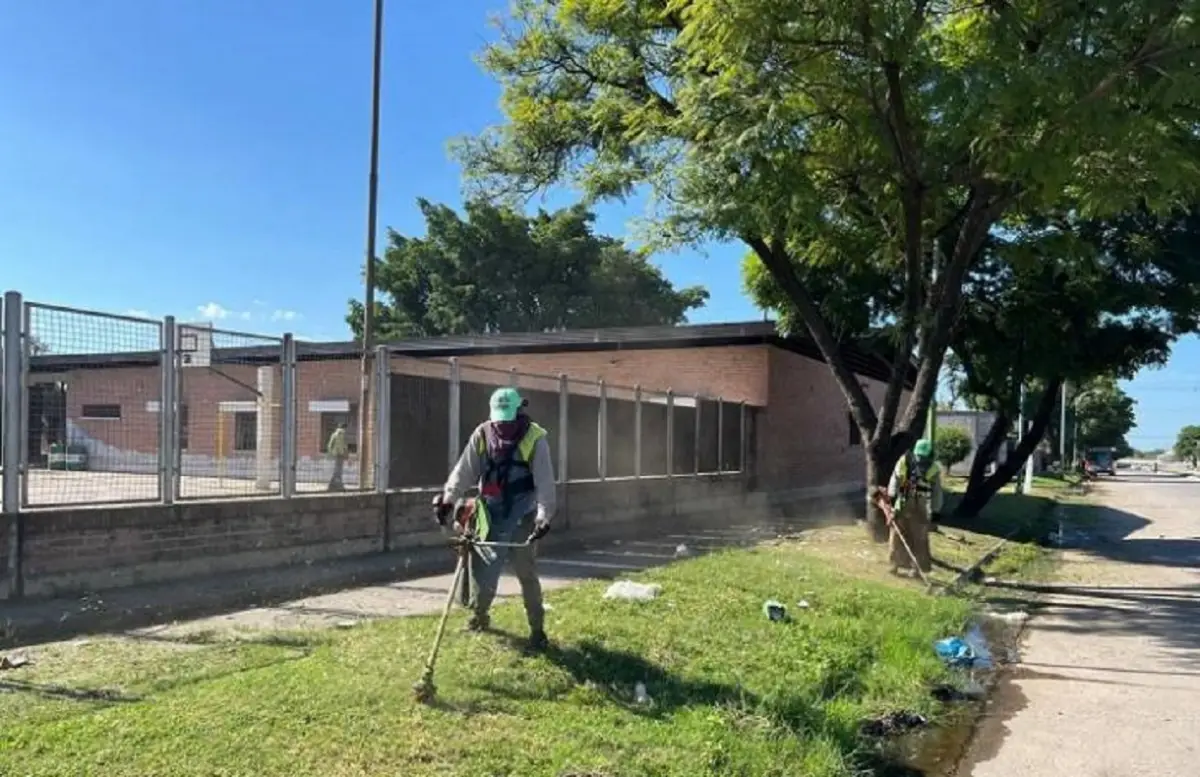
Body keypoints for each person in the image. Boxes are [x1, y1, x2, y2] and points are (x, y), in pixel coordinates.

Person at [432, 387, 555, 650]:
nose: (502, 425)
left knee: (527, 574)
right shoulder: (483, 434)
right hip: (489, 515)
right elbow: (464, 471)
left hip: (523, 516)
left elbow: (545, 483)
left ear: (519, 412)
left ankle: (537, 630)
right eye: (499, 419)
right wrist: (448, 499)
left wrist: (543, 518)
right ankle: (479, 617)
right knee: (482, 571)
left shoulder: (535, 438)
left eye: (507, 419)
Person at [885, 438, 943, 575]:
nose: (922, 461)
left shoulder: (933, 468)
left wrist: (935, 512)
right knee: (900, 536)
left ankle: (915, 569)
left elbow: (936, 493)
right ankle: (896, 565)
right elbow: (895, 481)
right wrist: (892, 499)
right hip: (904, 504)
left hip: (917, 506)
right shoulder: (904, 462)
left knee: (917, 538)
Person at [326, 423, 348, 491]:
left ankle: (332, 485)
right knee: (338, 470)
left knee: (337, 469)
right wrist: (345, 453)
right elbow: (344, 445)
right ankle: (338, 485)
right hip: (340, 454)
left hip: (336, 454)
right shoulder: (342, 434)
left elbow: (329, 445)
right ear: (344, 428)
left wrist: (331, 453)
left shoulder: (334, 434)